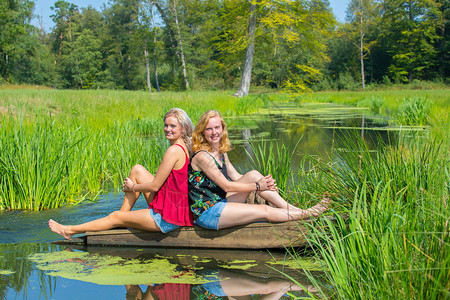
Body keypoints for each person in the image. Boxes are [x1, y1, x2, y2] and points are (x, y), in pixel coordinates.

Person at [49, 108, 194, 239]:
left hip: (169, 218)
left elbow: (155, 186)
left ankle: (70, 230)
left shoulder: (173, 151)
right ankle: (120, 222)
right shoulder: (183, 146)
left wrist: (133, 188)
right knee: (137, 169)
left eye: (173, 126)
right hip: (174, 205)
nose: (168, 129)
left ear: (184, 128)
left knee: (115, 216)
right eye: (166, 125)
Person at [188, 110, 330, 230]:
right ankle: (307, 213)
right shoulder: (202, 157)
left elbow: (236, 176)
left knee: (254, 174)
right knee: (264, 211)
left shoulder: (220, 150)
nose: (214, 132)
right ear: (202, 132)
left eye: (217, 127)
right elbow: (226, 185)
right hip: (208, 212)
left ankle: (294, 210)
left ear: (222, 128)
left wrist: (263, 183)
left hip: (221, 201)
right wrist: (257, 186)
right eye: (209, 129)